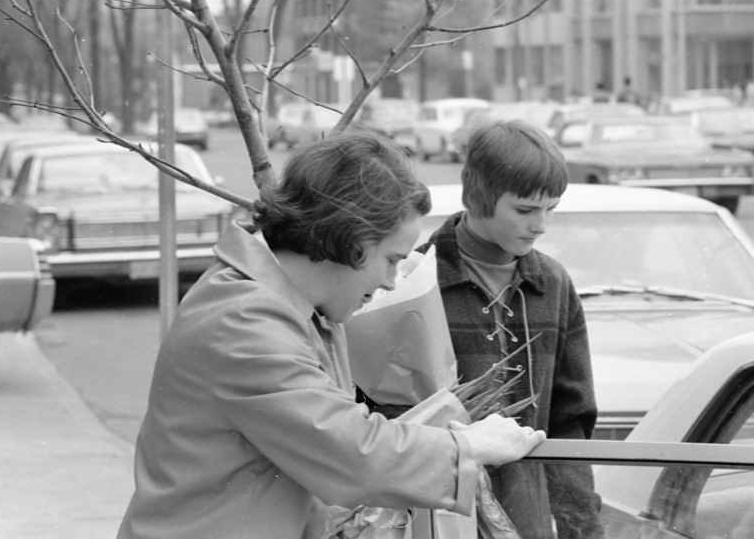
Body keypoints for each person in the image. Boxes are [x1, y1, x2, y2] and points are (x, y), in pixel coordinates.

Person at [117, 132, 546, 539]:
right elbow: (353, 454)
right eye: (392, 260)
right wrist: (469, 445)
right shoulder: (244, 322)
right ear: (352, 241)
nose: (392, 282)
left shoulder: (292, 309)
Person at [400, 120, 603, 538]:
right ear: (478, 197)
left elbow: (571, 420)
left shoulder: (553, 284)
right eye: (526, 210)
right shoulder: (412, 279)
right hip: (436, 516)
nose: (541, 225)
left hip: (529, 518)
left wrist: (580, 527)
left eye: (551, 209)